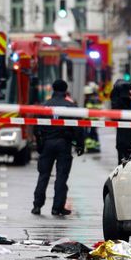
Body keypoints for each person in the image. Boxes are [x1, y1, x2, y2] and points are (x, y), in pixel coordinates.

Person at [32, 79, 83, 215]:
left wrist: (39, 143)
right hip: (63, 144)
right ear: (66, 91)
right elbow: (78, 127)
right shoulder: (71, 107)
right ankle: (57, 207)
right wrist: (80, 144)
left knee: (43, 175)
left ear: (53, 89)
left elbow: (36, 127)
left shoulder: (44, 106)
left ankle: (37, 205)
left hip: (47, 143)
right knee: (61, 176)